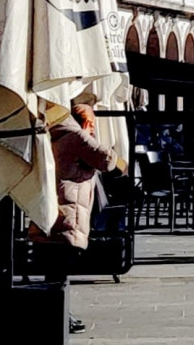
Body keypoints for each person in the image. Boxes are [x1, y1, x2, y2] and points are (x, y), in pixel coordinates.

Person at [29, 103, 118, 334]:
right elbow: (106, 160)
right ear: (87, 121)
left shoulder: (48, 132)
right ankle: (58, 316)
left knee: (53, 268)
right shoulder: (76, 135)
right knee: (60, 269)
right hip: (68, 211)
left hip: (45, 206)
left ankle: (61, 314)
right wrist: (95, 137)